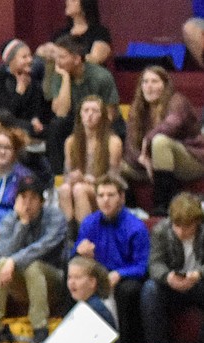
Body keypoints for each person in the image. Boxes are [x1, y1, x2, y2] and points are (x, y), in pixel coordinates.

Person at [0, 175, 67, 343]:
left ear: (42, 201)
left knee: (33, 266)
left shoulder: (55, 217)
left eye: (33, 198)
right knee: (1, 263)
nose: (27, 203)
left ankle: (40, 327)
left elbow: (44, 246)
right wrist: (22, 224)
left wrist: (14, 261)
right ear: (16, 200)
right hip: (20, 285)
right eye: (23, 197)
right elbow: (4, 252)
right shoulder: (10, 219)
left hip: (55, 283)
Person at [74, 177, 149, 343]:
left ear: (121, 197)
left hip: (124, 277)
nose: (105, 200)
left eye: (111, 195)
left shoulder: (136, 227)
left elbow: (142, 266)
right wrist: (78, 250)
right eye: (101, 195)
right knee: (72, 278)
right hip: (96, 274)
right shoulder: (89, 223)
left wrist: (120, 274)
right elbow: (76, 252)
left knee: (128, 290)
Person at [122, 65, 204, 216]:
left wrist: (147, 141)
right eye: (145, 82)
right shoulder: (137, 108)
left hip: (191, 160)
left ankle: (162, 203)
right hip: (153, 164)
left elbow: (172, 124)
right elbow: (131, 146)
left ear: (165, 85)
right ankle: (131, 209)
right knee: (118, 164)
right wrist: (143, 160)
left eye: (154, 81)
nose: (149, 86)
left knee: (160, 141)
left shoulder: (177, 101)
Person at [44, 33, 120, 177]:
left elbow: (110, 114)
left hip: (104, 123)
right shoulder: (60, 74)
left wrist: (91, 129)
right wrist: (66, 79)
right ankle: (58, 178)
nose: (57, 61)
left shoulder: (101, 77)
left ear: (77, 59)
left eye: (62, 57)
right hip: (77, 121)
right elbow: (61, 112)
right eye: (56, 56)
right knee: (56, 127)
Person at [141, 192, 204, 343]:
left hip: (198, 283)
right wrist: (168, 277)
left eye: (187, 227)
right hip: (170, 285)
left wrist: (199, 274)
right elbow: (155, 263)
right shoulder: (161, 230)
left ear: (197, 222)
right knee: (150, 290)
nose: (181, 232)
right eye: (177, 226)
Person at [58, 94, 123, 226]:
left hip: (104, 188)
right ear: (80, 115)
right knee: (64, 188)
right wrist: (72, 177)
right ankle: (70, 233)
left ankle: (86, 233)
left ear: (102, 116)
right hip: (80, 185)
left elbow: (114, 177)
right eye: (86, 110)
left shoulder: (113, 141)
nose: (90, 115)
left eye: (95, 111)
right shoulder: (71, 141)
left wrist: (93, 180)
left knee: (79, 189)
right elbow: (67, 174)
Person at [0, 39, 48, 137]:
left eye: (30, 56)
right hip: (4, 122)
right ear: (11, 60)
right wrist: (19, 92)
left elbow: (36, 106)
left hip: (26, 123)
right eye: (24, 57)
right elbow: (6, 113)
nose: (30, 60)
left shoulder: (32, 78)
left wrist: (35, 119)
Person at [35, 0, 113, 66]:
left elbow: (95, 58)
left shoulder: (99, 32)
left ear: (85, 5)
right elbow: (40, 52)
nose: (67, 2)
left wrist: (66, 57)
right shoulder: (62, 33)